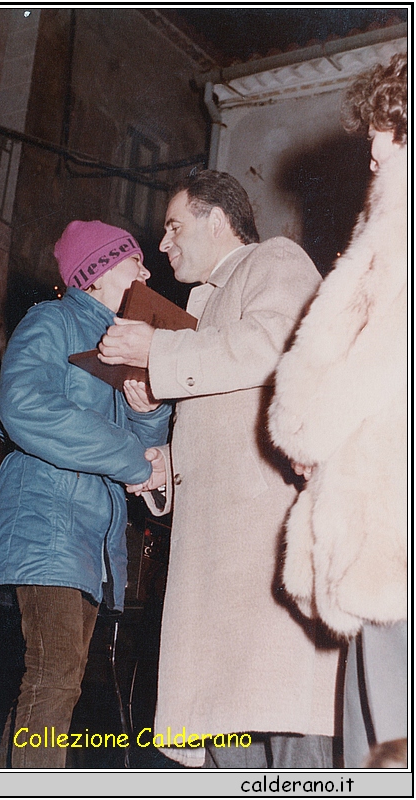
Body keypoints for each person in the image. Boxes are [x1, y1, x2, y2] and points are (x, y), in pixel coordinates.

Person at [98, 170, 340, 768]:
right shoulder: (203, 309)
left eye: (174, 225)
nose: (163, 243)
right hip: (220, 565)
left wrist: (158, 351)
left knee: (288, 733)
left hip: (263, 562)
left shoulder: (274, 259)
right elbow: (237, 422)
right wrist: (166, 467)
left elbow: (275, 342)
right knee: (233, 744)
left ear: (217, 219)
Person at [0, 220, 171, 769]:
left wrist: (148, 415)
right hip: (48, 520)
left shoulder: (120, 342)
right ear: (100, 270)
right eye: (135, 261)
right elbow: (23, 405)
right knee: (55, 673)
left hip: (90, 536)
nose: (147, 271)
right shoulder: (54, 320)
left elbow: (138, 455)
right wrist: (134, 456)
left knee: (53, 677)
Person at [268, 52, 407, 769]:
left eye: (390, 130)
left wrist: (302, 428)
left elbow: (375, 349)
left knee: (384, 743)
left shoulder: (399, 227)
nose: (376, 150)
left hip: (389, 519)